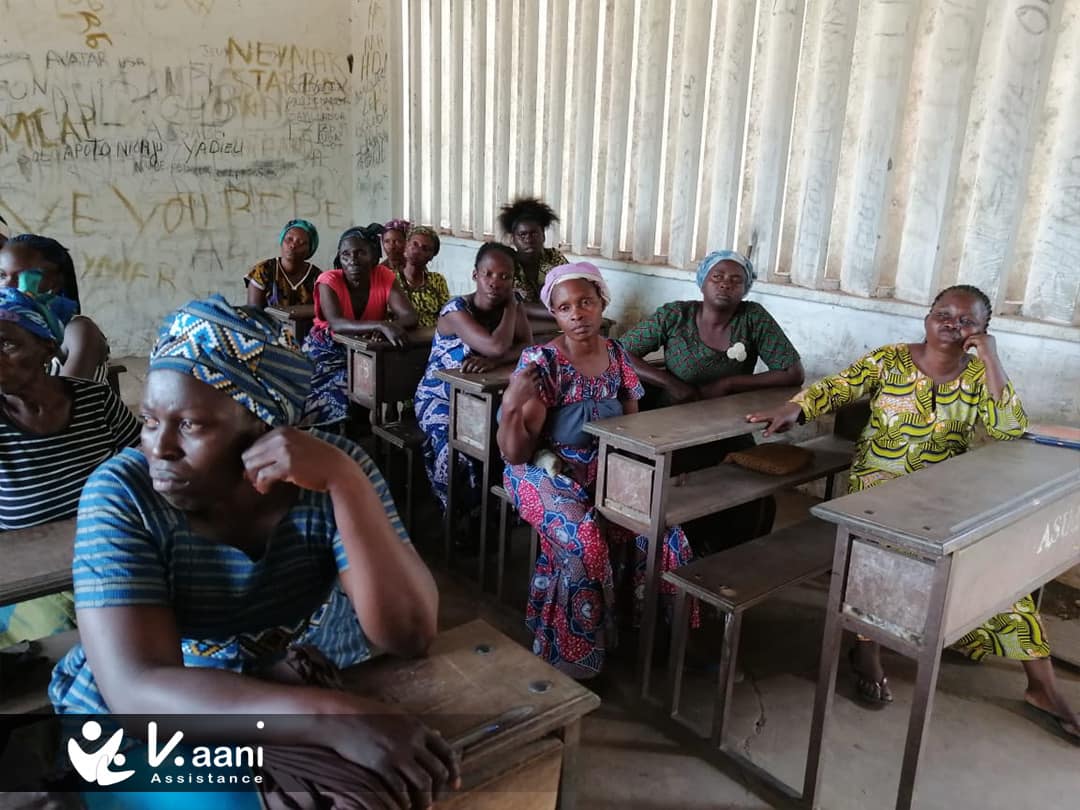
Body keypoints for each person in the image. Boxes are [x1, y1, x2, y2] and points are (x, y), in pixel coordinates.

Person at [49, 296, 457, 806]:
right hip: (165, 713)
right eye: (150, 420)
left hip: (290, 685)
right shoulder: (123, 494)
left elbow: (410, 634)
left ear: (262, 426)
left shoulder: (327, 471)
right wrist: (333, 718)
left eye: (190, 425)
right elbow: (137, 692)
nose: (159, 448)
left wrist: (346, 482)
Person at [748, 284, 1080, 741]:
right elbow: (835, 387)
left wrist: (992, 359)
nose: (952, 324)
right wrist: (795, 408)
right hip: (877, 494)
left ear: (982, 331)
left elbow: (1009, 430)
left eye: (966, 321)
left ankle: (1042, 687)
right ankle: (867, 648)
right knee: (883, 563)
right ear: (927, 317)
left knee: (993, 571)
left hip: (942, 498)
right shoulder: (890, 360)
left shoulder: (978, 376)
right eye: (943, 313)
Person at [497, 262, 696, 679]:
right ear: (554, 314)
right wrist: (513, 403)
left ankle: (652, 632)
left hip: (605, 466)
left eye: (586, 302)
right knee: (586, 540)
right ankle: (576, 656)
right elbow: (515, 454)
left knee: (664, 531)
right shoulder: (542, 362)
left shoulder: (617, 354)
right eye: (565, 307)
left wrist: (641, 475)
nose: (577, 314)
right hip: (543, 472)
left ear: (602, 303)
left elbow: (631, 422)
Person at [0, 288, 140, 649]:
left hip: (115, 552)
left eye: (7, 344)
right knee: (74, 637)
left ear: (47, 347)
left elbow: (146, 461)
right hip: (35, 581)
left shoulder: (95, 399)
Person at [415, 243, 531, 513]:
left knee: (509, 440)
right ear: (475, 275)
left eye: (505, 276)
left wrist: (494, 361)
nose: (495, 282)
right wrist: (511, 306)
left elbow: (526, 345)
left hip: (481, 398)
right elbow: (496, 346)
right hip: (440, 398)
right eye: (488, 274)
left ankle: (491, 512)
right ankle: (451, 513)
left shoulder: (511, 307)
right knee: (457, 445)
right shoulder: (455, 310)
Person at [621, 249, 804, 406]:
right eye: (717, 277)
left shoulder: (752, 317)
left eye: (736, 280)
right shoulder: (675, 315)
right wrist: (669, 383)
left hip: (730, 417)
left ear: (745, 289)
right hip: (672, 412)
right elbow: (617, 353)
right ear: (702, 282)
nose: (725, 284)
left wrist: (728, 384)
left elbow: (793, 373)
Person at [302, 224, 418, 426]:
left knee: (384, 376)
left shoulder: (383, 275)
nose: (352, 260)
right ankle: (329, 433)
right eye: (345, 254)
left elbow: (410, 316)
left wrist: (385, 328)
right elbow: (337, 324)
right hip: (327, 349)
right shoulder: (328, 280)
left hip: (365, 349)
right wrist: (381, 326)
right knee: (349, 385)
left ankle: (362, 434)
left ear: (374, 256)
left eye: (360, 253)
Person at [0, 234, 111, 383]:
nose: (7, 286)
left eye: (25, 277)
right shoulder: (8, 326)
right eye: (2, 275)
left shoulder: (80, 331)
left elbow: (70, 394)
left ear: (55, 283)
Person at [497, 197, 567, 319]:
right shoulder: (506, 265)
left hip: (557, 322)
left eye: (534, 233)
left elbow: (571, 292)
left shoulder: (554, 258)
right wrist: (559, 314)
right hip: (517, 323)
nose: (528, 240)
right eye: (522, 235)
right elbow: (510, 305)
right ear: (513, 239)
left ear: (543, 236)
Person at [245, 218, 320, 309]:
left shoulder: (318, 278)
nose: (293, 245)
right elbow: (253, 311)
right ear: (281, 241)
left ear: (310, 250)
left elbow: (323, 310)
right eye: (289, 239)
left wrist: (289, 312)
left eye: (301, 243)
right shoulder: (263, 270)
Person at [394, 225, 450, 328]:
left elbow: (447, 316)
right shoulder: (391, 279)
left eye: (425, 248)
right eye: (414, 244)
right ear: (406, 245)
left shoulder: (437, 280)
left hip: (431, 335)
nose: (417, 251)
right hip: (400, 334)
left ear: (432, 256)